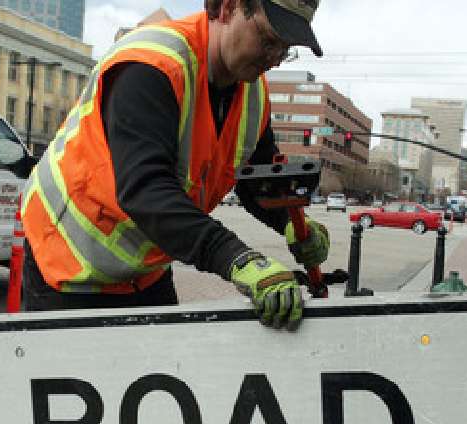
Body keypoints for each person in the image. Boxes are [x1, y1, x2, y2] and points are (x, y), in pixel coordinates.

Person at [18, 0, 328, 330]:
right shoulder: (151, 66)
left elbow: (257, 177)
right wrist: (238, 258)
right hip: (70, 262)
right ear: (227, 8)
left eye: (285, 49)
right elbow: (146, 190)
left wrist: (292, 222)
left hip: (146, 269)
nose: (274, 59)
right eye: (267, 40)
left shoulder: (252, 91)